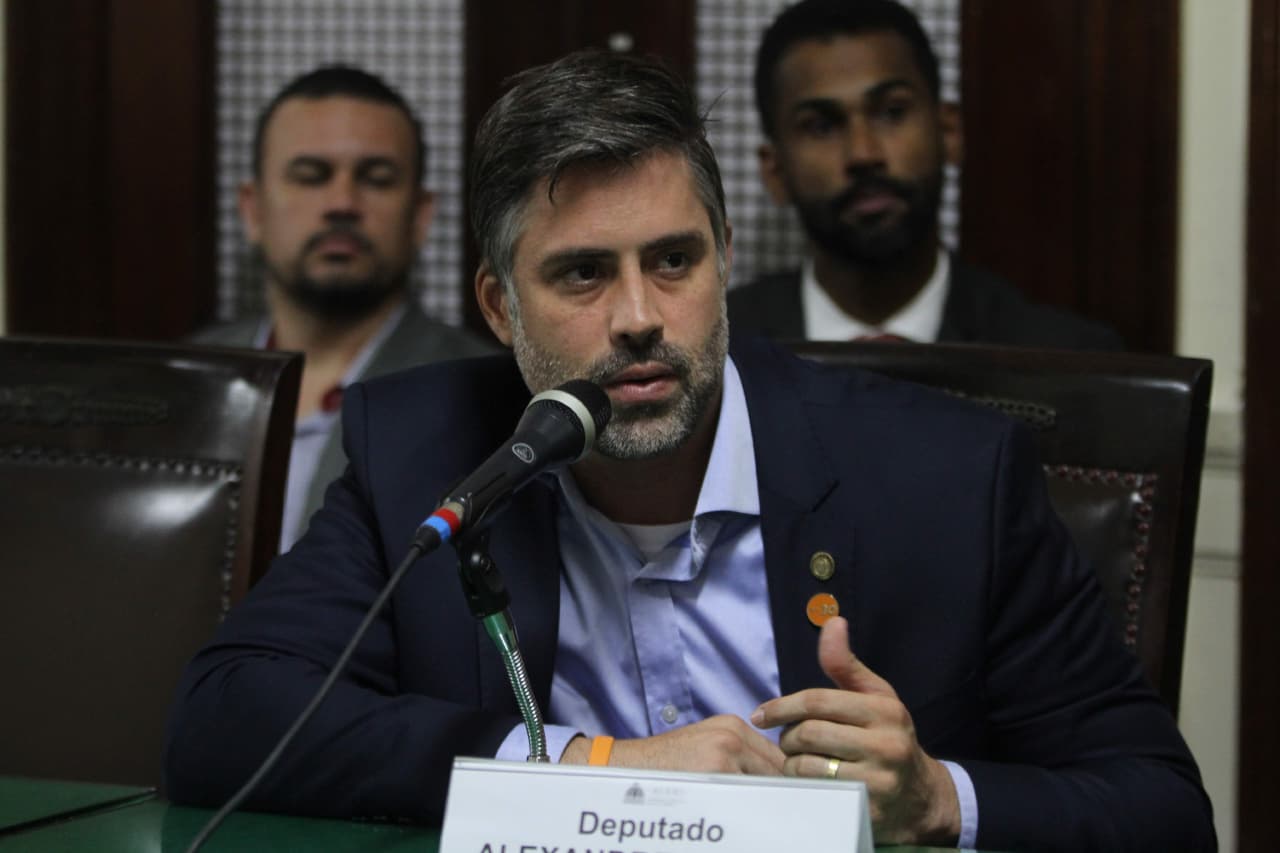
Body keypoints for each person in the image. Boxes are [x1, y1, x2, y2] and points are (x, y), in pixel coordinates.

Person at [165, 50, 1214, 851]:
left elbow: (1159, 804)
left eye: (672, 260)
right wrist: (595, 766)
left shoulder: (945, 478)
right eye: (580, 275)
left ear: (720, 261)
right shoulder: (425, 450)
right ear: (497, 305)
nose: (636, 317)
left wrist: (936, 796)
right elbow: (225, 720)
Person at [194, 65, 494, 551]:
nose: (341, 203)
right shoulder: (193, 376)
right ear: (252, 211)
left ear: (420, 216)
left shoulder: (478, 393)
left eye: (376, 179)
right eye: (311, 176)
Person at [728, 0, 1123, 348]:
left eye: (892, 112)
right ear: (774, 171)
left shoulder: (1062, 360)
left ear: (949, 132)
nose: (864, 154)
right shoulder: (722, 353)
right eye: (821, 126)